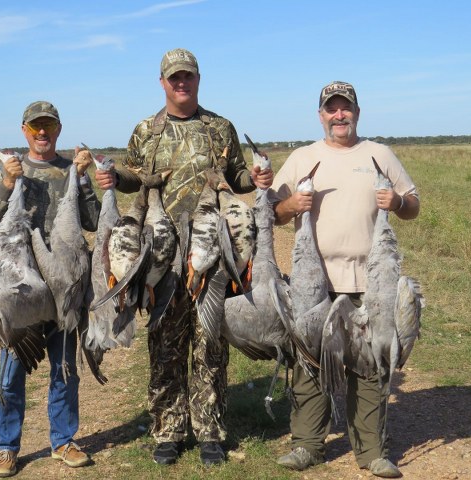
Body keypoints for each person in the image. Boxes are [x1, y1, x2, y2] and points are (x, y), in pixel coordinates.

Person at [94, 48, 273, 466]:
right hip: (161, 254)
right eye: (174, 77)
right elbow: (134, 178)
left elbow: (237, 178)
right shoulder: (146, 130)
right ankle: (168, 430)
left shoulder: (219, 127)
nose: (181, 83)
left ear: (198, 79)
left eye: (188, 76)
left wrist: (257, 176)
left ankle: (210, 431)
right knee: (165, 343)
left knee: (211, 341)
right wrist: (112, 175)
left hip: (213, 252)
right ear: (162, 82)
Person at [270, 81, 420, 478]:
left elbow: (413, 206)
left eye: (345, 107)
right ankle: (307, 445)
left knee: (368, 364)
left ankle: (371, 452)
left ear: (357, 111)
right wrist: (290, 204)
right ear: (320, 115)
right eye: (331, 108)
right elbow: (271, 211)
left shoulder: (379, 154)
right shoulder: (303, 157)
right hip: (313, 282)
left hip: (369, 281)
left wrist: (398, 202)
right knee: (310, 361)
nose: (339, 115)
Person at [0, 101, 101, 477]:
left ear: (58, 129)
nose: (42, 132)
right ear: (24, 131)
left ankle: (63, 441)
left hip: (64, 286)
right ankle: (6, 446)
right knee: (12, 369)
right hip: (21, 290)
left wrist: (81, 178)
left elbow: (94, 221)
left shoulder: (69, 169)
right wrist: (7, 183)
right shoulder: (9, 170)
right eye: (35, 127)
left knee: (64, 367)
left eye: (48, 125)